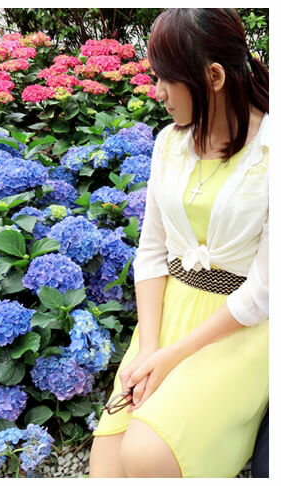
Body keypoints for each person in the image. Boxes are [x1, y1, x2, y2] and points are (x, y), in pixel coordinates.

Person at [88, 9, 268, 478]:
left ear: (213, 77)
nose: (158, 93)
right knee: (106, 463)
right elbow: (151, 252)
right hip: (165, 316)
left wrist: (172, 357)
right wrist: (150, 348)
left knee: (147, 455)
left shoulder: (273, 149)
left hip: (241, 326)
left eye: (167, 79)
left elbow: (267, 289)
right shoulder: (169, 142)